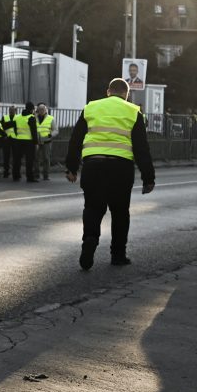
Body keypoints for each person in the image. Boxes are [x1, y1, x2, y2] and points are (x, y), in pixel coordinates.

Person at [65, 78, 156, 270]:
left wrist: (71, 167)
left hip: (92, 165)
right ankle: (118, 255)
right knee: (120, 212)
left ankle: (90, 239)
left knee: (92, 208)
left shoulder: (90, 108)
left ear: (108, 91)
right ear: (126, 94)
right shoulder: (133, 111)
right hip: (121, 168)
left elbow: (76, 139)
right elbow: (141, 148)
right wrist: (148, 177)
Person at [8, 104, 40, 181]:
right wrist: (36, 143)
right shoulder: (31, 118)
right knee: (29, 160)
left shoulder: (18, 117)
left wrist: (17, 135)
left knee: (17, 159)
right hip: (29, 142)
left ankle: (16, 176)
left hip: (18, 141)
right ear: (32, 109)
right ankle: (30, 177)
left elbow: (14, 128)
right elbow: (34, 131)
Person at [35, 103, 55, 180]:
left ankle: (46, 175)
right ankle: (36, 174)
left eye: (43, 109)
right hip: (37, 141)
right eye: (40, 109)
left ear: (45, 110)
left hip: (47, 141)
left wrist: (51, 135)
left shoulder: (50, 118)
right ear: (38, 110)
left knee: (46, 158)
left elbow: (55, 130)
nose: (41, 111)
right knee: (36, 158)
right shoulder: (34, 118)